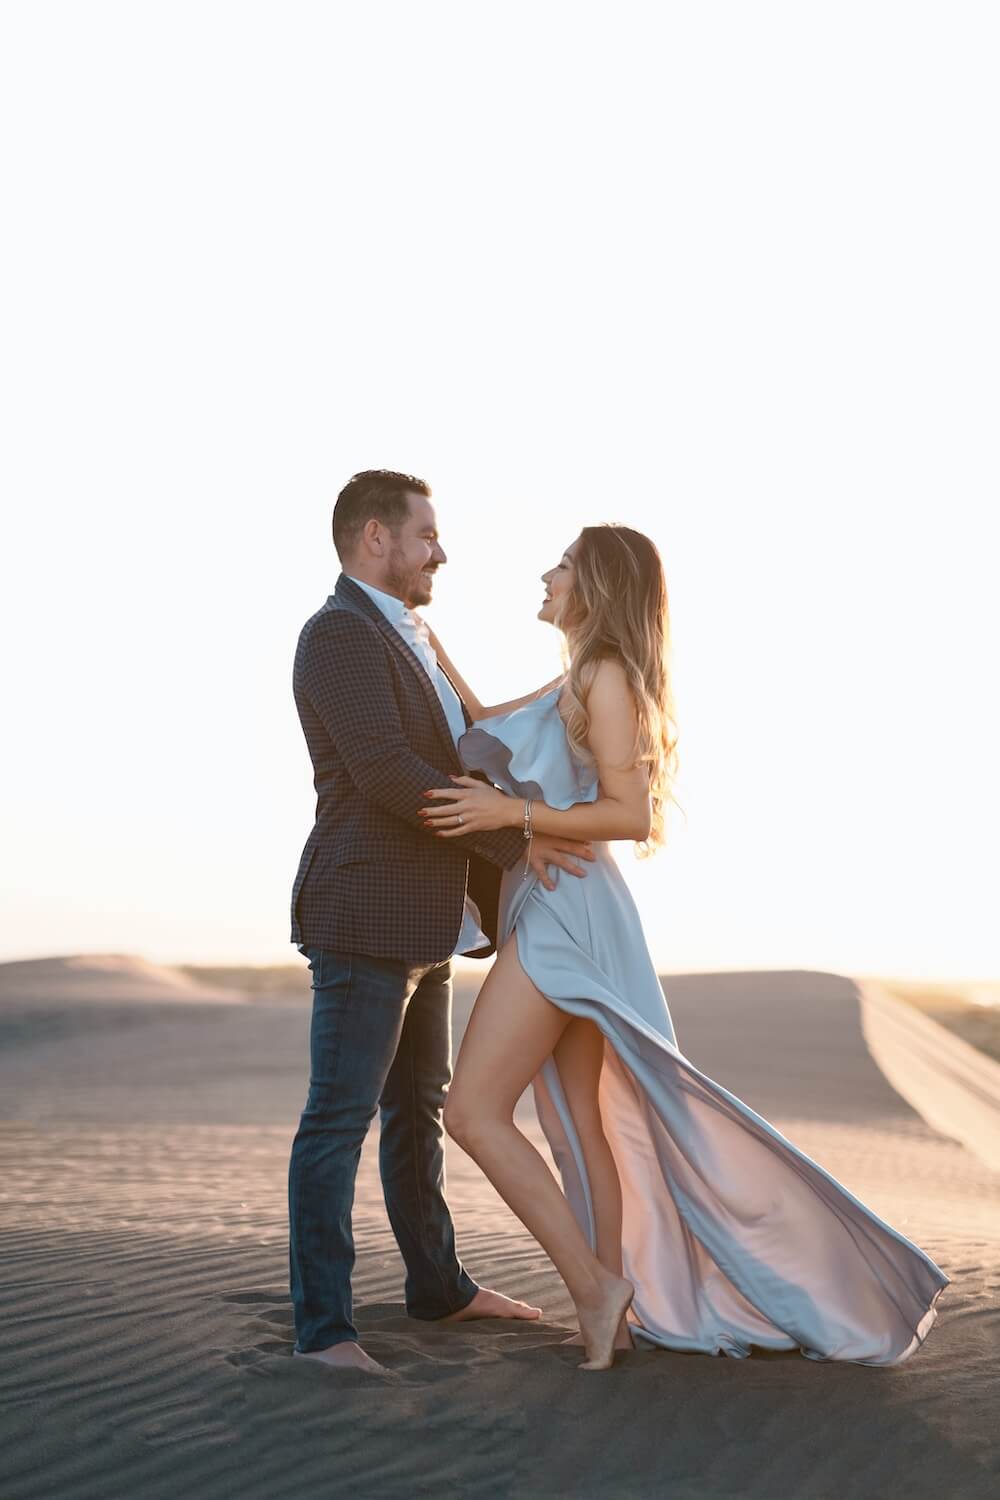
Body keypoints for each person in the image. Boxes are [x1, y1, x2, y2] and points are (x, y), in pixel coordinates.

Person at [420, 523, 949, 1371]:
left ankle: (598, 1291)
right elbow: (485, 719)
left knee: (475, 1112)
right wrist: (423, 640)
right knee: (581, 1122)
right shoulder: (580, 673)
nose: (547, 574)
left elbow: (633, 816)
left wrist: (511, 818)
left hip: (570, 913)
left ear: (596, 585)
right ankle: (614, 1312)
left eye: (562, 564)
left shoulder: (607, 677)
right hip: (555, 904)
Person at [287, 470, 599, 1376]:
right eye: (428, 535)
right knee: (337, 1119)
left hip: (427, 920)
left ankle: (440, 1287)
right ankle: (324, 1332)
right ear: (375, 538)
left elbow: (479, 733)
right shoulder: (340, 634)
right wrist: (517, 845)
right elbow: (387, 771)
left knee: (416, 1110)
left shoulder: (415, 632)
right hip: (362, 908)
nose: (442, 552)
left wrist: (593, 675)